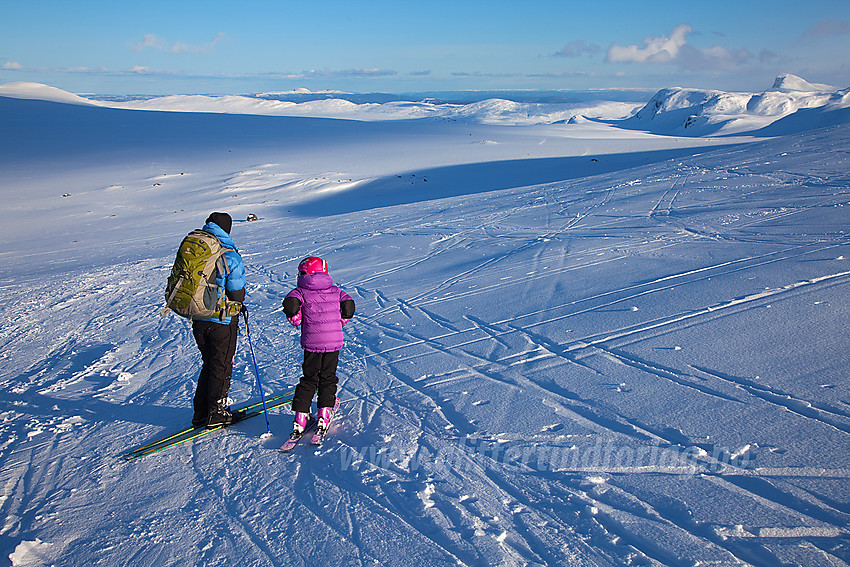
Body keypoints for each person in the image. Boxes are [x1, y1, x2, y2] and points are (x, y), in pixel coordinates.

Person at [283, 256, 355, 438]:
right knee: (328, 378)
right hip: (333, 344)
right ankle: (324, 413)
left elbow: (293, 312)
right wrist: (340, 322)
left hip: (312, 345)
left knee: (309, 379)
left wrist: (295, 318)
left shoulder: (300, 292)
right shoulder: (336, 291)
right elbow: (348, 305)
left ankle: (301, 417)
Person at [191, 212, 247, 429]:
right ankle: (217, 413)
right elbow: (236, 293)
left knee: (210, 364)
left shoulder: (197, 249)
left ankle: (201, 413)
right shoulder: (228, 254)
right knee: (221, 365)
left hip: (198, 318)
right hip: (222, 321)